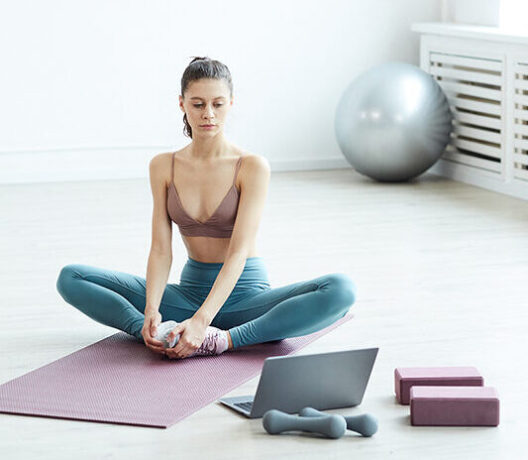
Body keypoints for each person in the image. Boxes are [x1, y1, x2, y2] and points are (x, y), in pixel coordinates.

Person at [56, 56, 357, 360]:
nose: (208, 114)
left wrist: (202, 322)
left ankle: (224, 340)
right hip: (188, 295)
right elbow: (161, 250)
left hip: (246, 299)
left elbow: (238, 252)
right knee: (71, 278)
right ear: (182, 103)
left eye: (218, 104)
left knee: (341, 290)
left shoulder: (251, 166)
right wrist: (151, 311)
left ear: (231, 103)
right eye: (198, 104)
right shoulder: (163, 166)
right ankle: (162, 334)